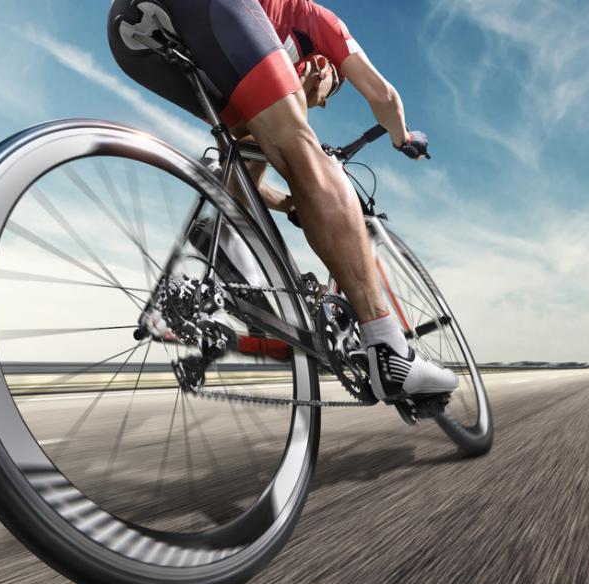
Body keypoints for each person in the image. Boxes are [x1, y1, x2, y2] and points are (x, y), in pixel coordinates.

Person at [107, 0, 457, 402]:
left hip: (128, 34)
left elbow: (252, 176)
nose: (321, 102)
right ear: (319, 68)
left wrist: (291, 202)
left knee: (246, 147)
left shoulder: (248, 60)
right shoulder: (313, 18)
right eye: (327, 94)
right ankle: (389, 348)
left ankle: (229, 246)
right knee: (303, 147)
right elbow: (384, 95)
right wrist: (404, 138)